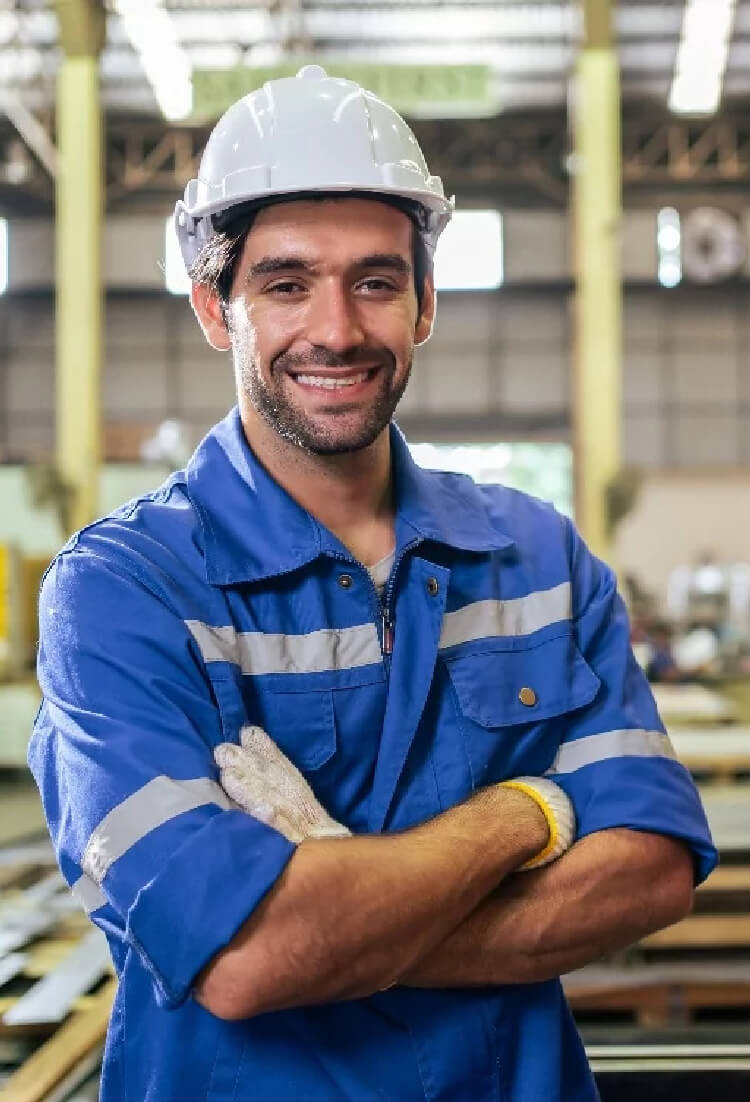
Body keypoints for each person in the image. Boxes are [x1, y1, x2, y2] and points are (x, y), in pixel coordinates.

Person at [30, 66, 716, 1102]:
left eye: (376, 281)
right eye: (286, 284)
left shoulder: (535, 557)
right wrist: (527, 813)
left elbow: (653, 868)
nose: (338, 330)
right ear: (216, 308)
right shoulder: (124, 591)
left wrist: (338, 911)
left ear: (425, 303)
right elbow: (246, 960)